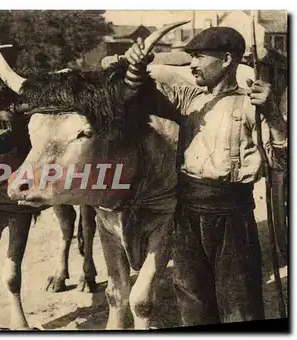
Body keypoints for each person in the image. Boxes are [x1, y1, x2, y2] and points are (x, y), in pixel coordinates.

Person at [116, 27, 288, 326]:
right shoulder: (188, 99)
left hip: (232, 215)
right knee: (192, 303)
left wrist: (273, 115)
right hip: (187, 213)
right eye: (190, 57)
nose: (192, 65)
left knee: (240, 304)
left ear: (226, 59)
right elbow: (136, 98)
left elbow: (281, 161)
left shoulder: (252, 103)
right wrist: (136, 67)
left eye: (198, 57)